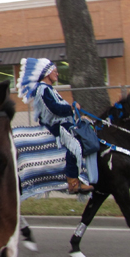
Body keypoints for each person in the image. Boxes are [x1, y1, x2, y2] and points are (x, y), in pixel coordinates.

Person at [17, 57, 94, 194]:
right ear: (47, 73)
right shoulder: (42, 89)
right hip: (54, 126)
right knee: (74, 145)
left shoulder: (49, 89)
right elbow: (52, 109)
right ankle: (73, 182)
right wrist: (70, 108)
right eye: (55, 71)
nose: (57, 74)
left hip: (61, 124)